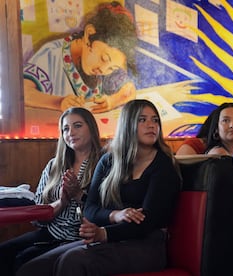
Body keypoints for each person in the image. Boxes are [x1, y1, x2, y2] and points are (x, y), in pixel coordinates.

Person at [17, 99, 181, 276]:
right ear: (127, 124)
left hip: (147, 244)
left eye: (155, 120)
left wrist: (103, 233)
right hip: (111, 238)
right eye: (142, 120)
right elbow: (90, 209)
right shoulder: (108, 161)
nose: (151, 125)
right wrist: (114, 215)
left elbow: (146, 223)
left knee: (73, 261)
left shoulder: (163, 166)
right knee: (32, 268)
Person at [0, 107, 102, 276]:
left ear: (91, 127)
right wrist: (62, 202)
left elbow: (103, 211)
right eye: (66, 129)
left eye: (77, 126)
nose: (71, 133)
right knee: (3, 252)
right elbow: (37, 215)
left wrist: (78, 195)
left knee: (24, 262)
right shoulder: (54, 166)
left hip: (80, 238)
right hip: (50, 232)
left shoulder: (104, 164)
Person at [23, 1, 137, 113]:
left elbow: (129, 90)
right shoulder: (51, 54)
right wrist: (59, 102)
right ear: (89, 34)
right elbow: (24, 93)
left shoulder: (107, 68)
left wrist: (112, 101)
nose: (103, 70)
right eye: (104, 58)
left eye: (112, 68)